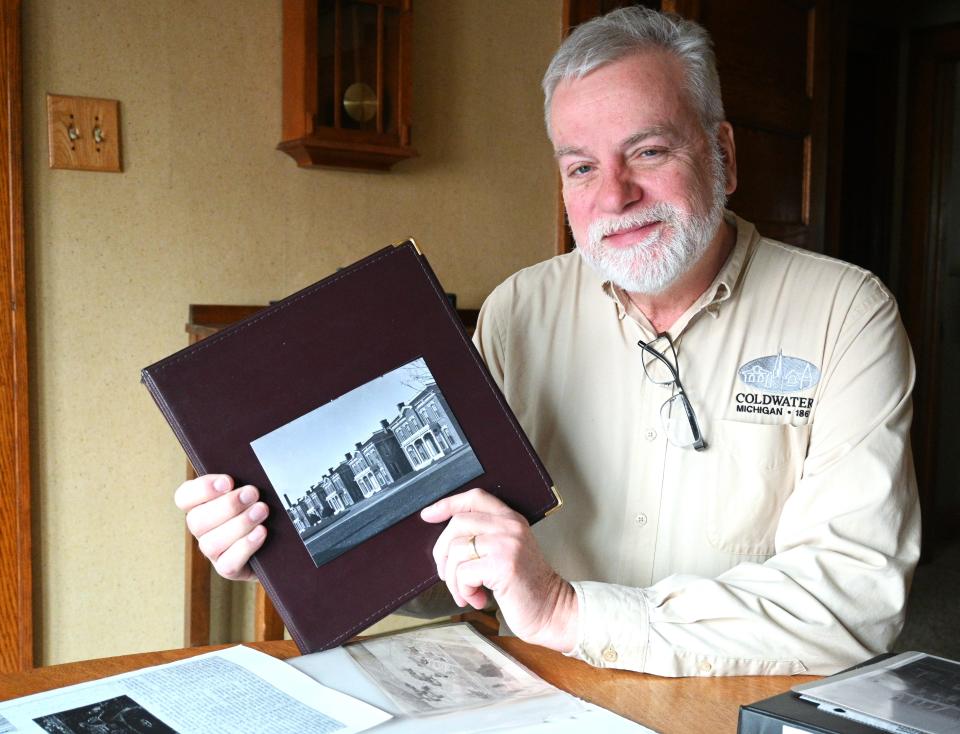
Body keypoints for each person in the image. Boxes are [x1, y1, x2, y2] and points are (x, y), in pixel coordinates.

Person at [175, 7, 920, 677]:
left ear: (722, 152)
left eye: (650, 152)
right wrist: (283, 552)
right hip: (539, 697)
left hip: (735, 703)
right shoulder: (518, 311)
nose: (614, 196)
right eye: (582, 167)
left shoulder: (845, 312)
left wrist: (568, 612)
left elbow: (855, 599)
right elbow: (445, 564)